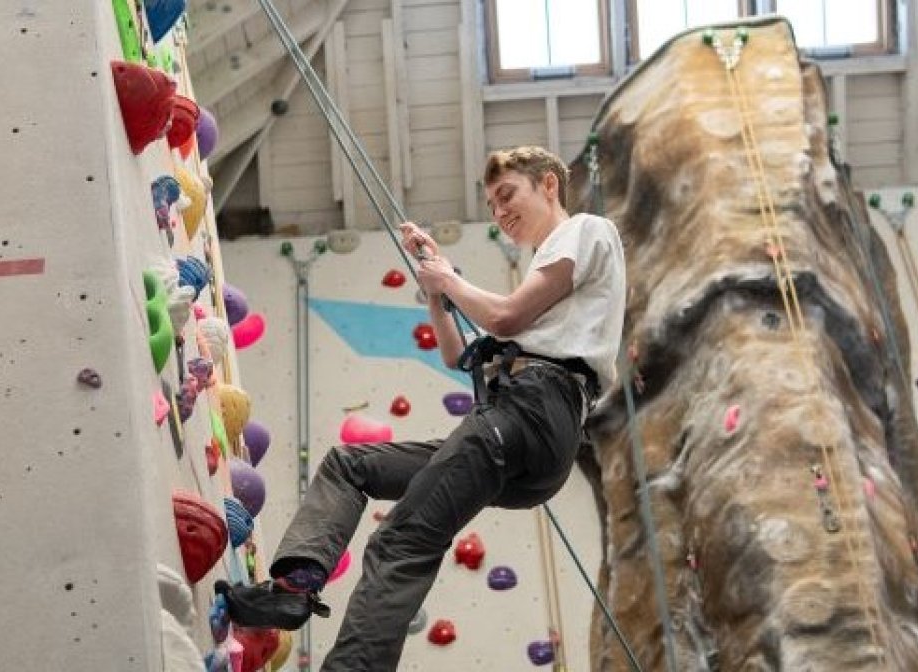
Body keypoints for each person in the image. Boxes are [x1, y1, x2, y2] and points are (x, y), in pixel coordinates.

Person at [218, 145, 626, 671]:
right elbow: (460, 354)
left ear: (550, 184)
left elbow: (502, 318)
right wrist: (436, 284)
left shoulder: (587, 231)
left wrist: (451, 280)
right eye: (492, 204)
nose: (500, 212)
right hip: (523, 430)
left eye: (508, 195)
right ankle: (293, 587)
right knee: (351, 466)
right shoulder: (550, 283)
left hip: (533, 412)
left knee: (402, 541)